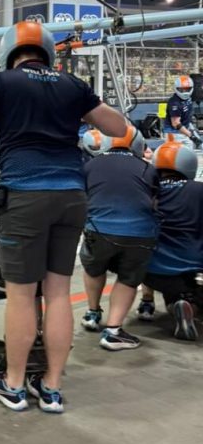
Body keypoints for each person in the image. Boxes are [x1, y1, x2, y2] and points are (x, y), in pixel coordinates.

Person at [0, 21, 127, 413]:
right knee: (59, 291)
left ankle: (13, 385)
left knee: (22, 295)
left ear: (9, 51)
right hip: (71, 196)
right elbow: (118, 126)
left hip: (26, 196)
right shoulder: (72, 84)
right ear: (47, 52)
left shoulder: (3, 82)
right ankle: (52, 388)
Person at [79, 126, 159, 350]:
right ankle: (114, 331)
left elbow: (82, 198)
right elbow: (155, 202)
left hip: (99, 230)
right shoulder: (147, 168)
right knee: (127, 278)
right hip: (139, 234)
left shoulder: (90, 166)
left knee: (94, 268)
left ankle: (93, 313)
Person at [143, 140, 203, 341]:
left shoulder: (148, 190)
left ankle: (150, 302)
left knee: (172, 292)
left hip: (153, 269)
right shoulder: (198, 190)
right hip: (193, 266)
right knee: (191, 291)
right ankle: (191, 306)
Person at [163, 75, 201, 149]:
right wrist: (191, 135)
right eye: (182, 89)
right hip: (173, 134)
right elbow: (175, 123)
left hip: (184, 132)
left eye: (187, 89)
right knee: (176, 156)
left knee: (189, 153)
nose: (185, 92)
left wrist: (191, 130)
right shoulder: (175, 103)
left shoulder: (188, 99)